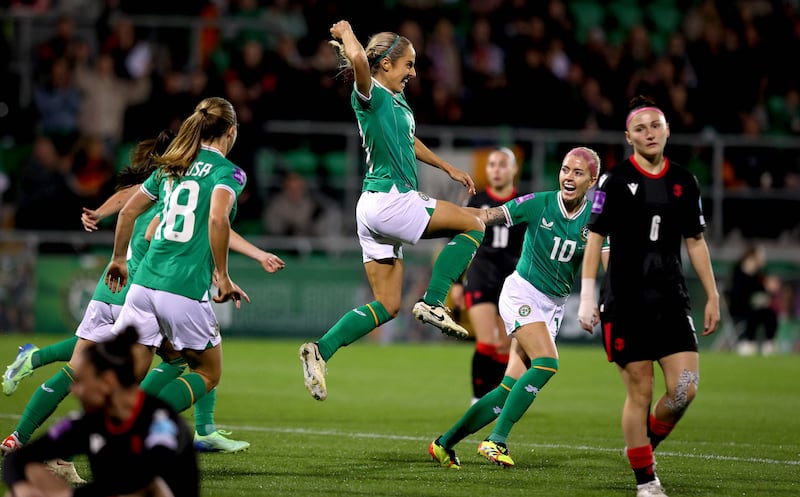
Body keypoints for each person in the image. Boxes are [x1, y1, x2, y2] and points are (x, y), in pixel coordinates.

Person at [298, 20, 485, 401]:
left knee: (388, 304)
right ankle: (434, 302)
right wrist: (347, 31)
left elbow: (408, 140)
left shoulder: (395, 101)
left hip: (372, 207)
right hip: (392, 199)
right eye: (408, 65)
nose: (413, 72)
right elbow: (357, 60)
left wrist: (447, 167)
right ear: (385, 65)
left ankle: (320, 350)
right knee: (475, 223)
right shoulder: (370, 92)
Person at [577, 95, 720, 497]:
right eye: (640, 128)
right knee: (640, 391)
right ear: (628, 137)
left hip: (672, 299)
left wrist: (713, 295)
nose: (649, 133)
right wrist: (588, 297)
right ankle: (646, 482)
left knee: (684, 389)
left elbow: (695, 242)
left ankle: (642, 446)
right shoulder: (615, 181)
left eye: (655, 125)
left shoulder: (684, 181)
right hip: (626, 302)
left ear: (667, 130)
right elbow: (595, 239)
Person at [429, 147, 606, 469]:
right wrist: (436, 215)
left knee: (505, 390)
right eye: (565, 169)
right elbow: (487, 215)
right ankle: (496, 440)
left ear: (592, 180)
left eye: (578, 173)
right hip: (522, 294)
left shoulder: (596, 217)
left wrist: (604, 297)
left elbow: (609, 259)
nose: (569, 176)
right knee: (548, 363)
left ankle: (444, 443)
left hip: (552, 306)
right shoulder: (538, 203)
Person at [104, 96, 249, 424]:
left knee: (129, 374)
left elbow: (127, 211)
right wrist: (223, 276)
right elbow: (217, 219)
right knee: (208, 372)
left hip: (142, 286)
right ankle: (138, 426)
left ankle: (83, 442)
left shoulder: (172, 166)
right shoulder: (230, 173)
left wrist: (118, 259)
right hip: (182, 288)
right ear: (231, 131)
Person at [2, 326, 199, 497]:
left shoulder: (160, 422)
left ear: (107, 382)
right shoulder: (89, 421)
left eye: (81, 382)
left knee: (150, 488)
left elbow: (140, 479)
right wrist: (23, 488)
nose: (74, 390)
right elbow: (18, 459)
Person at [450, 147, 525, 403]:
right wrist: (458, 282)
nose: (496, 169)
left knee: (505, 345)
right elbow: (461, 242)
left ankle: (497, 399)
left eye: (502, 164)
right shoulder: (475, 200)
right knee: (486, 342)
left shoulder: (524, 203)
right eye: (492, 165)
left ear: (514, 169)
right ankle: (477, 399)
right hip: (482, 274)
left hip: (512, 280)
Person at [729, 244, 779, 356]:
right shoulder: (739, 270)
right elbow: (738, 293)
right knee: (755, 313)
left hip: (755, 307)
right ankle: (748, 341)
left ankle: (769, 343)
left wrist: (768, 288)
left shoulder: (760, 273)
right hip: (740, 308)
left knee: (770, 313)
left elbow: (762, 292)